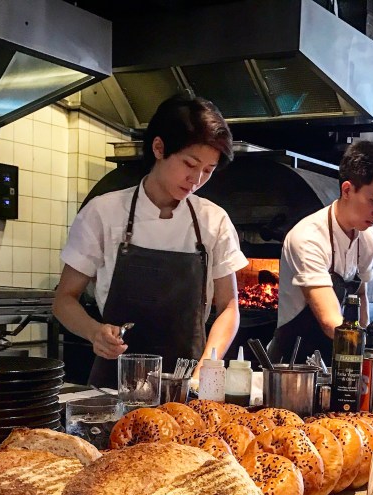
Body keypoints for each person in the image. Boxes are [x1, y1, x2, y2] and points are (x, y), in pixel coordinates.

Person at [52, 96, 246, 387]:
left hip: (187, 384)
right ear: (159, 148)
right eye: (189, 164)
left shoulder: (213, 220)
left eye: (208, 170)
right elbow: (64, 300)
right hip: (115, 382)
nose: (196, 179)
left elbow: (229, 307)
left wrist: (207, 367)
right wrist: (94, 332)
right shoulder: (103, 212)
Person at [270, 140, 373, 364]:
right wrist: (364, 349)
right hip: (293, 365)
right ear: (347, 190)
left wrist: (365, 355)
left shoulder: (366, 236)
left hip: (338, 354)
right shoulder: (308, 237)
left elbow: (360, 294)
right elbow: (329, 320)